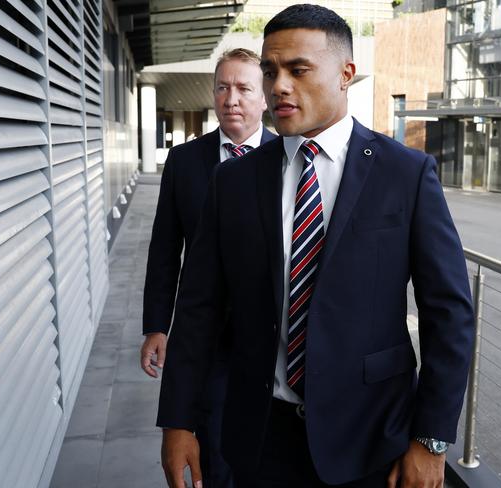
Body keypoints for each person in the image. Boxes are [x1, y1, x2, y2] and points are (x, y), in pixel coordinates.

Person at [158, 5, 475, 488]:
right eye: (270, 71)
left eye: (298, 70)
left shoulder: (404, 175)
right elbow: (198, 306)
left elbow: (449, 314)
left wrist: (431, 440)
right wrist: (178, 420)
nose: (279, 85)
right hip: (261, 438)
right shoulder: (234, 181)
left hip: (372, 441)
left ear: (346, 74)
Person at [140, 48, 275, 488]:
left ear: (264, 98)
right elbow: (165, 249)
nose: (231, 98)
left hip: (274, 338)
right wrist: (156, 327)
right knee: (214, 451)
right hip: (208, 338)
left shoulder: (291, 157)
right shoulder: (185, 162)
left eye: (243, 88)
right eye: (222, 87)